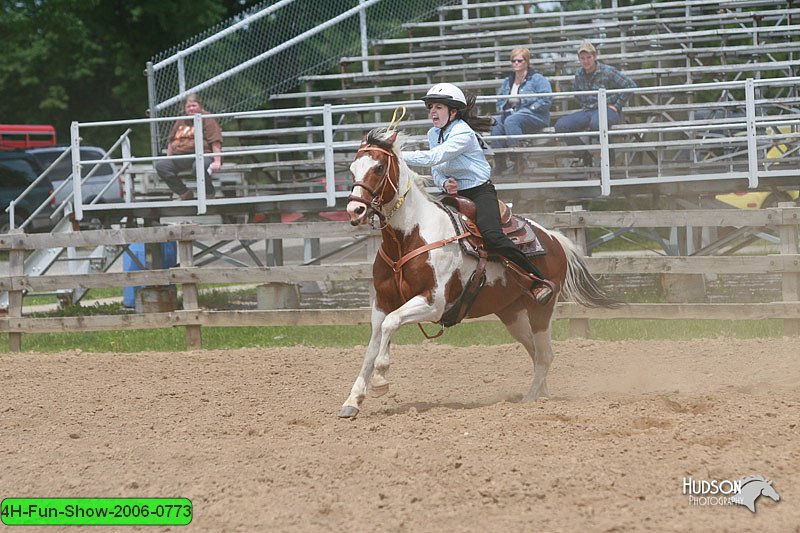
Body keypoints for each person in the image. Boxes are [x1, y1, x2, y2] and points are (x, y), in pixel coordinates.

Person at [402, 83, 554, 304]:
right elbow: (436, 169)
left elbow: (434, 157)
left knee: (493, 236)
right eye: (430, 107)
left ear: (453, 111)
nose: (432, 111)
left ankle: (537, 280)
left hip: (479, 192)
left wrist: (396, 155)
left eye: (438, 107)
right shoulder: (433, 133)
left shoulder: (462, 132)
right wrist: (444, 183)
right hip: (455, 196)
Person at [554, 41, 636, 167]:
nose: (586, 61)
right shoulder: (579, 74)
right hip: (588, 111)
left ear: (595, 56)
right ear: (579, 59)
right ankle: (584, 155)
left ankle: (609, 164)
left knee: (598, 124)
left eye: (588, 57)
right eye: (582, 58)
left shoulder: (608, 71)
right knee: (561, 126)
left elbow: (630, 85)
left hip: (607, 109)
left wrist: (616, 105)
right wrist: (586, 103)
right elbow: (577, 93)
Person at [491, 47, 553, 174]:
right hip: (512, 115)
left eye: (519, 60)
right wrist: (503, 109)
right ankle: (500, 162)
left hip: (535, 115)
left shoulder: (537, 79)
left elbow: (546, 99)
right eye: (513, 61)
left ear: (527, 62)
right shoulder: (508, 81)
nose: (516, 63)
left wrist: (531, 108)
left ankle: (518, 158)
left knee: (511, 121)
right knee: (495, 123)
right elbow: (500, 100)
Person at [155, 93, 222, 200]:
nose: (191, 109)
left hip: (202, 155)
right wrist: (169, 157)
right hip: (180, 156)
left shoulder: (207, 119)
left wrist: (217, 161)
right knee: (161, 166)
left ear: (200, 106)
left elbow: (215, 141)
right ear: (185, 108)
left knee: (198, 167)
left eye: (194, 106)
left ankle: (209, 192)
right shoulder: (181, 120)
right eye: (188, 107)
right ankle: (184, 193)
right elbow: (171, 140)